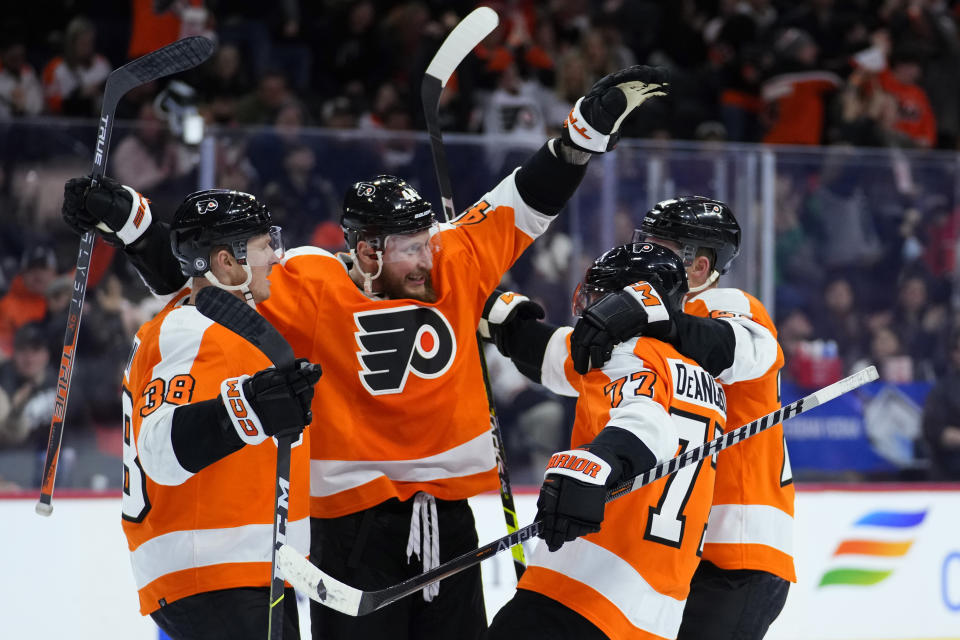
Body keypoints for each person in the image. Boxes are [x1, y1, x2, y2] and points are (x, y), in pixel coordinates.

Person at [61, 65, 671, 640]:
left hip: (451, 519)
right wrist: (135, 226)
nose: (425, 255)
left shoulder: (454, 258)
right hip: (349, 529)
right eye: (409, 245)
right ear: (368, 251)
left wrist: (583, 133)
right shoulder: (306, 281)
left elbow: (530, 197)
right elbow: (208, 285)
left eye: (425, 238)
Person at [568, 197, 793, 639]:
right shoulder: (660, 328)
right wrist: (503, 316)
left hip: (741, 549)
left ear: (699, 266)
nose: (647, 257)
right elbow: (570, 357)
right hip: (686, 548)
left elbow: (744, 349)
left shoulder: (725, 302)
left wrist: (649, 312)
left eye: (661, 247)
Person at [481, 242, 728, 639]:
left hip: (585, 588)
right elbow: (549, 356)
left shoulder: (624, 351)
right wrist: (503, 323)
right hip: (659, 611)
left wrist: (593, 465)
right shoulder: (706, 382)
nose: (591, 310)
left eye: (601, 298)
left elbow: (646, 423)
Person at [119, 189, 321, 639]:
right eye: (264, 245)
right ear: (227, 262)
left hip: (240, 571)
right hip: (212, 572)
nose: (276, 257)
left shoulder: (225, 329)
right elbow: (159, 450)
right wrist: (252, 406)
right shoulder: (188, 329)